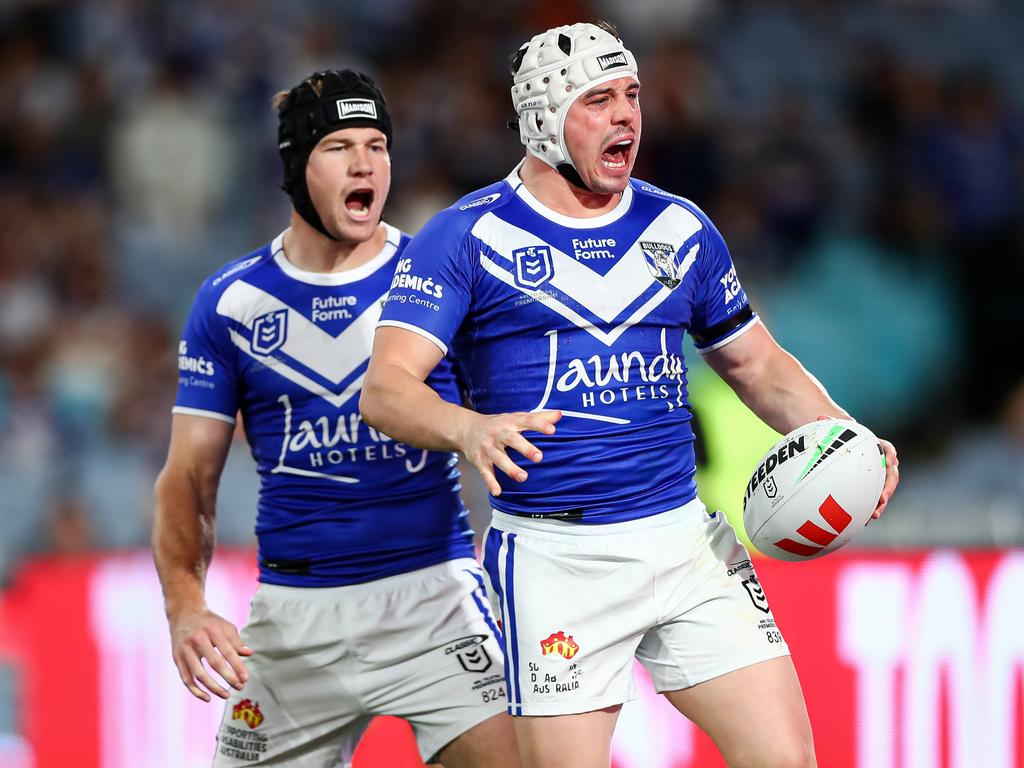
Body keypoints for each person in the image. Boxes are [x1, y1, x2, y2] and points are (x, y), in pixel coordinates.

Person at [360, 23, 900, 768]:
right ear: (546, 119)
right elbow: (384, 391)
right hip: (555, 564)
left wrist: (849, 439)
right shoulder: (463, 238)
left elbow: (760, 369)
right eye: (599, 100)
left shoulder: (680, 227)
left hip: (686, 544)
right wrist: (467, 430)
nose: (627, 117)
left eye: (632, 96)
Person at [152, 69, 519, 768]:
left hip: (436, 599)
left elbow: (512, 416)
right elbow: (188, 476)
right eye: (339, 146)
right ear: (295, 167)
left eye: (378, 144)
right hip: (293, 616)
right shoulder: (229, 302)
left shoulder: (436, 274)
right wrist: (184, 606)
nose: (365, 165)